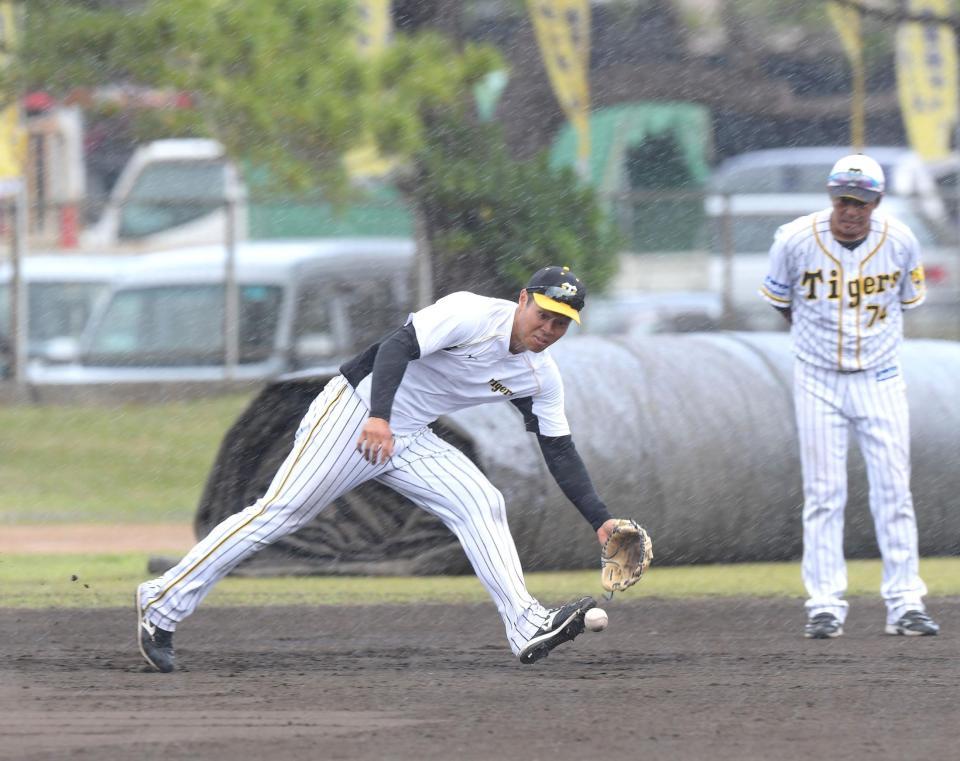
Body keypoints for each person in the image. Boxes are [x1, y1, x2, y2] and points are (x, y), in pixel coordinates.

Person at [137, 265, 621, 671]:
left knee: (481, 502)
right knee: (278, 515)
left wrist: (599, 520)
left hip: (409, 436)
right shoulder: (470, 314)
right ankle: (163, 601)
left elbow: (558, 449)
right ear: (522, 299)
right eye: (545, 313)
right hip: (356, 410)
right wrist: (379, 417)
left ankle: (525, 624)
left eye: (562, 323)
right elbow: (395, 347)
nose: (549, 328)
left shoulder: (537, 375)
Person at [759, 153, 939, 639]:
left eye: (860, 201)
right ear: (830, 196)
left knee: (893, 490)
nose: (850, 209)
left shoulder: (899, 239)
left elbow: (909, 301)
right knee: (823, 493)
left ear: (876, 202)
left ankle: (905, 602)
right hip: (817, 378)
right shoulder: (795, 239)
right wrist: (815, 340)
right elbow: (780, 301)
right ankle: (824, 604)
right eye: (843, 199)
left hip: (880, 377)